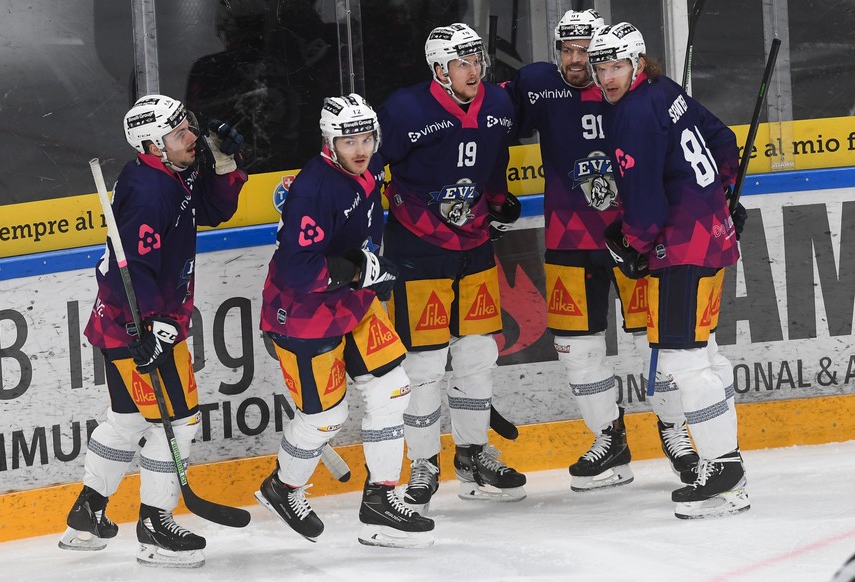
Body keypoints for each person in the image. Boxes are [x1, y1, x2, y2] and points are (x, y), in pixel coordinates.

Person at [502, 10, 699, 492]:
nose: (577, 61)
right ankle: (609, 439)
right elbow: (488, 126)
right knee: (576, 350)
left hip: (633, 237)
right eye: (567, 51)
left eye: (587, 52)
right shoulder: (537, 84)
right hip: (569, 240)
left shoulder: (626, 88)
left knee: (660, 340)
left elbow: (686, 148)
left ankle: (676, 433)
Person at [59, 94, 248, 566]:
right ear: (152, 144)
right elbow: (133, 269)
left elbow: (213, 212)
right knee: (178, 421)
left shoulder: (172, 174)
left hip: (129, 320)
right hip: (139, 324)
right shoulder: (149, 189)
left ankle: (88, 513)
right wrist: (153, 326)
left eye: (189, 128)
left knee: (127, 419)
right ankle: (154, 525)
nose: (192, 139)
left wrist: (223, 164)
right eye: (181, 134)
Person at [256, 93, 434, 548]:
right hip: (303, 314)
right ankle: (283, 486)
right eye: (348, 140)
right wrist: (359, 270)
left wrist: (366, 276)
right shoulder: (314, 188)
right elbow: (299, 269)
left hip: (353, 303)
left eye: (367, 137)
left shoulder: (368, 166)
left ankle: (380, 499)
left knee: (392, 390)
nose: (360, 148)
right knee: (324, 419)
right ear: (328, 141)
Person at [587, 22, 750, 519]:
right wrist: (722, 195)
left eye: (616, 66)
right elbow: (722, 140)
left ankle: (723, 472)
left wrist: (632, 244)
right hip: (712, 236)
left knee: (683, 361)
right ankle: (728, 465)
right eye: (600, 67)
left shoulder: (632, 113)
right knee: (708, 355)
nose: (607, 76)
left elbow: (645, 200)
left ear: (637, 63)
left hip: (680, 248)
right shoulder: (665, 90)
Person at [377, 22, 526, 512]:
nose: (475, 68)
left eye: (478, 58)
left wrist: (500, 200)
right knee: (422, 365)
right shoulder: (404, 109)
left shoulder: (499, 104)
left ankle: (473, 452)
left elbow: (496, 158)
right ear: (439, 69)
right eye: (463, 62)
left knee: (478, 354)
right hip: (418, 249)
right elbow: (367, 168)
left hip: (475, 244)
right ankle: (422, 463)